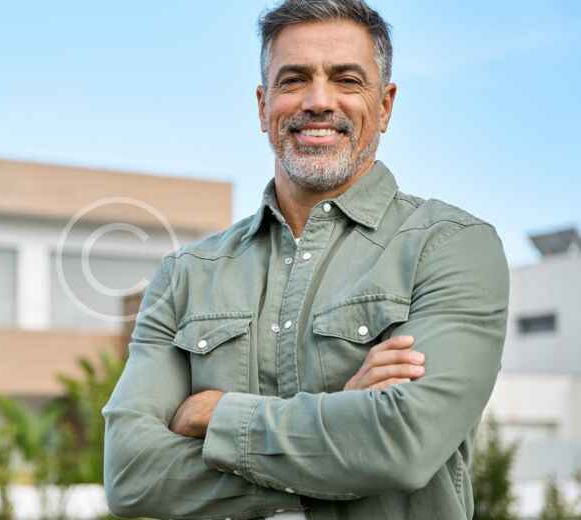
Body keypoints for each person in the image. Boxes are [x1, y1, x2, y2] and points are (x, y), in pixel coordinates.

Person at [102, 1, 509, 519]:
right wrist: (345, 423)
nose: (318, 101)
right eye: (294, 80)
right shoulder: (186, 275)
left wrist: (215, 414)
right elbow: (131, 472)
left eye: (346, 80)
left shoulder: (450, 246)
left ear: (385, 105)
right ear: (262, 105)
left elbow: (403, 444)